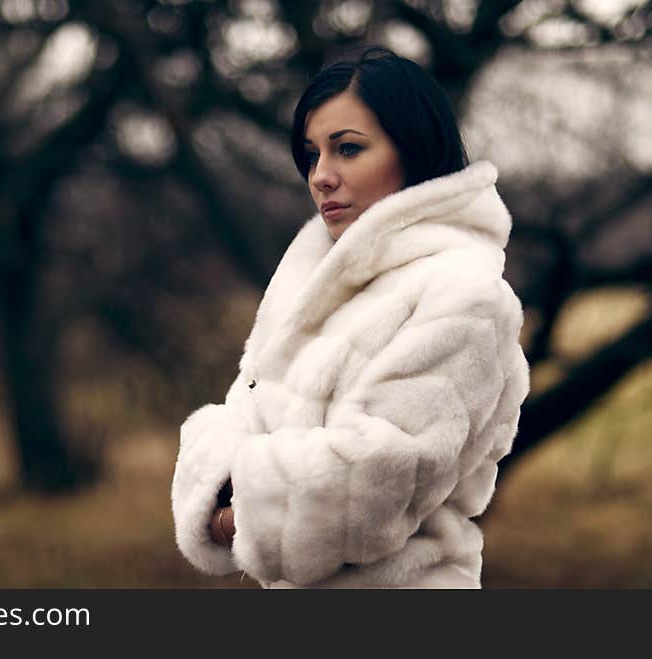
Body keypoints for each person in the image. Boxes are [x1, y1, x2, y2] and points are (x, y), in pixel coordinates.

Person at [170, 46, 530, 588]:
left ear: (413, 150)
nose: (321, 176)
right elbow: (237, 413)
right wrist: (253, 492)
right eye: (312, 155)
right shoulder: (312, 280)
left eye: (348, 149)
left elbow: (365, 489)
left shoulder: (464, 297)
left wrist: (228, 513)